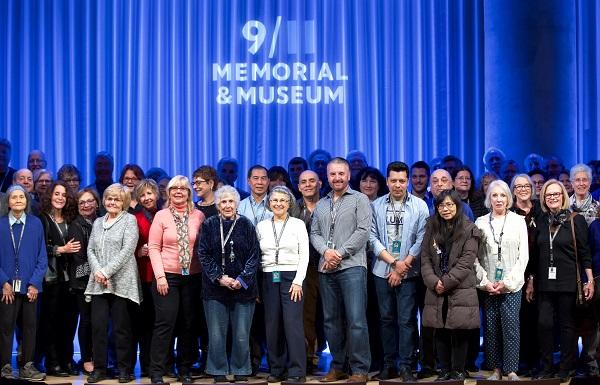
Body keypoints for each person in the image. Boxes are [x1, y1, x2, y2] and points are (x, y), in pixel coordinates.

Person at [310, 157, 371, 382]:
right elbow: (314, 233)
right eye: (333, 174)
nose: (337, 178)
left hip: (352, 266)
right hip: (326, 268)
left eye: (341, 174)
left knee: (356, 320)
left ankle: (359, 369)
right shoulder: (322, 203)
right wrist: (326, 252)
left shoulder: (360, 199)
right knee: (331, 320)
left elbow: (363, 231)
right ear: (327, 176)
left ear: (348, 175)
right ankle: (339, 366)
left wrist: (340, 253)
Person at [369, 161, 429, 381]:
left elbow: (422, 239)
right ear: (387, 181)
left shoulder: (420, 206)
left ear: (408, 181)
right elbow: (371, 237)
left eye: (402, 181)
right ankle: (388, 364)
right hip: (381, 271)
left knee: (406, 320)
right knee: (385, 319)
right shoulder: (375, 205)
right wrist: (393, 263)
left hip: (409, 271)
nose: (397, 185)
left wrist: (403, 265)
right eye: (393, 180)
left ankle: (406, 365)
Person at [529, 180, 594, 382]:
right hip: (544, 283)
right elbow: (534, 255)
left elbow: (585, 254)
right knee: (544, 324)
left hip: (568, 282)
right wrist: (531, 280)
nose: (553, 198)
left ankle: (566, 367)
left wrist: (589, 280)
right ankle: (547, 367)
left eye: (556, 194)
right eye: (549, 195)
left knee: (567, 326)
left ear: (564, 196)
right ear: (544, 198)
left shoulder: (576, 220)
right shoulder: (540, 220)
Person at [198, 185, 260, 383]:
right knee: (216, 335)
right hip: (215, 289)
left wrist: (242, 280)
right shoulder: (209, 224)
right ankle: (218, 371)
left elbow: (254, 255)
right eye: (223, 202)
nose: (227, 205)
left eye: (230, 201)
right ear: (217, 205)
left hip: (242, 289)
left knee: (242, 334)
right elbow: (203, 254)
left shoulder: (247, 225)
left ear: (236, 204)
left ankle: (241, 370)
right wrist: (219, 277)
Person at [148, 176, 205, 384]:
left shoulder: (198, 215)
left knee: (188, 324)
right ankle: (157, 370)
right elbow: (153, 247)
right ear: (168, 193)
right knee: (165, 323)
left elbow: (203, 247)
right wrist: (160, 277)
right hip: (167, 278)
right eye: (174, 188)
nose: (179, 191)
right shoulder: (161, 216)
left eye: (183, 188)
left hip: (193, 278)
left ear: (189, 192)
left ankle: (184, 369)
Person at [420, 189, 481, 381]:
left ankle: (458, 370)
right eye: (441, 205)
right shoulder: (431, 226)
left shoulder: (470, 229)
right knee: (439, 329)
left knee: (459, 330)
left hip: (460, 286)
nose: (445, 209)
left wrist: (445, 282)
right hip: (435, 287)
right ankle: (444, 369)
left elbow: (466, 261)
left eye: (449, 205)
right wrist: (433, 281)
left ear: (458, 206)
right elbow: (425, 258)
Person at [85, 183, 140, 383]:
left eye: (117, 199)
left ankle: (124, 369)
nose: (112, 202)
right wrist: (99, 271)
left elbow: (128, 250)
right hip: (98, 282)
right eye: (109, 198)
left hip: (122, 281)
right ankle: (99, 369)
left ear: (124, 201)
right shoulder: (98, 221)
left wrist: (106, 271)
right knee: (98, 327)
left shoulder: (130, 220)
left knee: (121, 329)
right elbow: (90, 249)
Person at [475, 180, 529, 381]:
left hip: (512, 285)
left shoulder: (518, 221)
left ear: (509, 198)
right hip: (488, 284)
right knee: (490, 328)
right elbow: (474, 258)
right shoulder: (480, 222)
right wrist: (485, 282)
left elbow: (523, 256)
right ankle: (495, 368)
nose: (498, 199)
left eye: (503, 195)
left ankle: (511, 369)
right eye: (494, 195)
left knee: (511, 327)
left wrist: (506, 282)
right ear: (489, 198)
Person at [257, 186, 309, 383]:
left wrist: (298, 281)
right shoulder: (261, 226)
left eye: (282, 201)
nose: (278, 204)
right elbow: (258, 256)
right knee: (272, 325)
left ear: (289, 204)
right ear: (269, 203)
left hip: (292, 278)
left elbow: (304, 254)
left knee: (292, 324)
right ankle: (276, 369)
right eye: (275, 200)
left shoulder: (297, 224)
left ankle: (297, 371)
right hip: (269, 277)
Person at [0, 185, 47, 380]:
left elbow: (42, 257)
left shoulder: (36, 224)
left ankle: (27, 365)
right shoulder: (1, 224)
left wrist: (35, 283)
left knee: (30, 327)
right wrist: (3, 282)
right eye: (14, 197)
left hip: (30, 287)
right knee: (5, 327)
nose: (18, 200)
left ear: (27, 201)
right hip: (6, 287)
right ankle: (4, 366)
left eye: (22, 197)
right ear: (8, 202)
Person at [37, 181, 80, 377]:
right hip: (51, 279)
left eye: (64, 194)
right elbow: (36, 250)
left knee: (69, 323)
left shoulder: (72, 220)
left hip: (71, 280)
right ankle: (52, 362)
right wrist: (60, 250)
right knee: (51, 322)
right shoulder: (42, 219)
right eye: (57, 193)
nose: (60, 197)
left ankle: (66, 360)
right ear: (50, 196)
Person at [290, 170, 324, 374]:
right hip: (302, 268)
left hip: (329, 265)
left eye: (312, 180)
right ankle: (309, 357)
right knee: (306, 316)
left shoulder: (330, 205)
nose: (308, 184)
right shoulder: (292, 208)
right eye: (304, 182)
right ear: (299, 186)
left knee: (331, 316)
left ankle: (339, 359)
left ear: (320, 183)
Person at [510, 174, 542, 375]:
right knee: (519, 319)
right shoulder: (509, 212)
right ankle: (520, 361)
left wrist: (532, 278)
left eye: (526, 185)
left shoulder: (541, 210)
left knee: (539, 319)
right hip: (516, 273)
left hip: (541, 272)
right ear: (513, 190)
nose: (523, 189)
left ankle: (537, 361)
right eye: (518, 186)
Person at [66, 188, 100, 375]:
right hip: (82, 283)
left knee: (99, 322)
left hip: (101, 280)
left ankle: (98, 358)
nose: (86, 205)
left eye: (89, 201)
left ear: (97, 202)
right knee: (86, 321)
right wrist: (100, 271)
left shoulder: (102, 221)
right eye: (82, 202)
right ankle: (86, 359)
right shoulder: (76, 226)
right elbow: (79, 261)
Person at [131, 180, 160, 377]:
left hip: (163, 276)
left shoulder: (166, 214)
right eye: (143, 195)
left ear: (157, 194)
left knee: (161, 323)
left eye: (150, 193)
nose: (147, 198)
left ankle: (162, 363)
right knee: (143, 323)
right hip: (142, 275)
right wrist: (137, 251)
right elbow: (126, 247)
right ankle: (147, 365)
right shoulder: (134, 218)